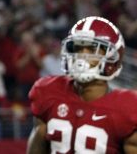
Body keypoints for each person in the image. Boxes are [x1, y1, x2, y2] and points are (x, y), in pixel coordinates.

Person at [26, 16, 137, 154]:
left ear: (112, 58)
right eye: (78, 48)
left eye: (92, 50)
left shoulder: (126, 107)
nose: (82, 56)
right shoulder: (49, 91)